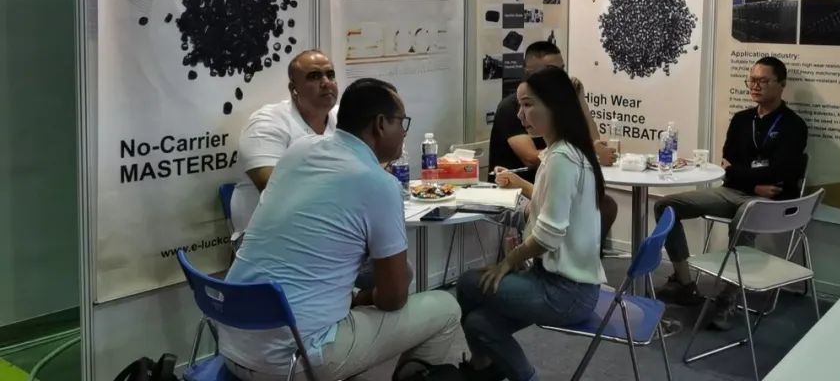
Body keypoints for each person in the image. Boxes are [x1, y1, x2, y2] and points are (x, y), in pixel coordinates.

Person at [219, 78, 461, 381]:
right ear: (380, 124)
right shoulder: (378, 183)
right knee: (446, 308)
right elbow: (394, 298)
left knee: (399, 274)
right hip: (292, 359)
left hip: (233, 341)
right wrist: (361, 300)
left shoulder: (299, 150)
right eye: (401, 122)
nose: (404, 132)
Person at [457, 67, 607, 381]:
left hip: (565, 293)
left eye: (528, 105)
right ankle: (489, 367)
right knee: (479, 324)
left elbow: (549, 236)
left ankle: (481, 368)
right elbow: (542, 214)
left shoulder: (562, 158)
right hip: (561, 283)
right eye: (519, 106)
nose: (520, 114)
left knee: (469, 284)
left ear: (555, 106)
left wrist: (509, 261)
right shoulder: (564, 151)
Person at [653, 56, 808, 311]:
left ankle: (729, 296)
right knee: (666, 206)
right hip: (735, 191)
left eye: (763, 81)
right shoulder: (741, 120)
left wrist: (739, 173)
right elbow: (727, 165)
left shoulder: (794, 125)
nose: (755, 86)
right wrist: (752, 182)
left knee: (745, 215)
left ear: (782, 84)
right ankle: (684, 283)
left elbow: (782, 172)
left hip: (770, 201)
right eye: (752, 80)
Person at [487, 41, 618, 243]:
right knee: (572, 214)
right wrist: (588, 150)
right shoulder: (512, 108)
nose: (561, 77)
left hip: (552, 187)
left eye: (562, 70)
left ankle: (578, 255)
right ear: (530, 73)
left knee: (604, 205)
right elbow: (531, 158)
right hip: (517, 190)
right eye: (552, 71)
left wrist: (579, 101)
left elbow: (593, 140)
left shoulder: (558, 108)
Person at [231, 49, 339, 236]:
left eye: (330, 75)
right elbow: (276, 191)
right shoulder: (266, 123)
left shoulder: (344, 117)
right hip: (267, 238)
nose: (326, 82)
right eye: (314, 76)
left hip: (325, 227)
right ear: (293, 88)